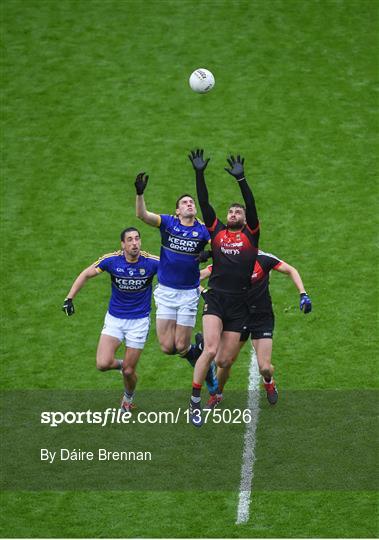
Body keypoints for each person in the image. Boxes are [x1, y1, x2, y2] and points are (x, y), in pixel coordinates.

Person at [187, 149, 260, 425]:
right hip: (216, 299)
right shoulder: (216, 232)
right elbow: (204, 202)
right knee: (210, 353)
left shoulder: (251, 235)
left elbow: (252, 206)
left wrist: (241, 180)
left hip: (240, 304)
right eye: (230, 211)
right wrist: (199, 173)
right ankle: (194, 401)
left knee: (225, 362)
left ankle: (207, 341)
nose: (233, 214)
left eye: (237, 211)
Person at [134, 172, 219, 395]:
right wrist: (140, 193)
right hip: (166, 293)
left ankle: (206, 370)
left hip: (188, 294)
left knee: (181, 345)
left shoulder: (202, 229)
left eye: (192, 202)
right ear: (178, 211)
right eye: (185, 202)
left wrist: (209, 253)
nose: (190, 204)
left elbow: (220, 248)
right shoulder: (168, 223)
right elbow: (142, 215)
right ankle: (200, 354)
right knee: (166, 347)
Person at [62, 227, 159, 412]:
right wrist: (69, 298)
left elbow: (177, 273)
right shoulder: (112, 260)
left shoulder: (152, 262)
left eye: (137, 239)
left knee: (130, 372)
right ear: (122, 244)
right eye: (129, 240)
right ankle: (124, 364)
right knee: (103, 364)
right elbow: (86, 274)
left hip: (139, 322)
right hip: (115, 319)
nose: (134, 243)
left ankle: (128, 399)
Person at [199, 249, 312, 406]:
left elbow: (291, 270)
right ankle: (217, 394)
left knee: (265, 368)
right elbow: (197, 277)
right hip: (238, 318)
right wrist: (203, 290)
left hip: (261, 317)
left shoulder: (264, 259)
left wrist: (303, 293)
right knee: (224, 361)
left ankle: (268, 381)